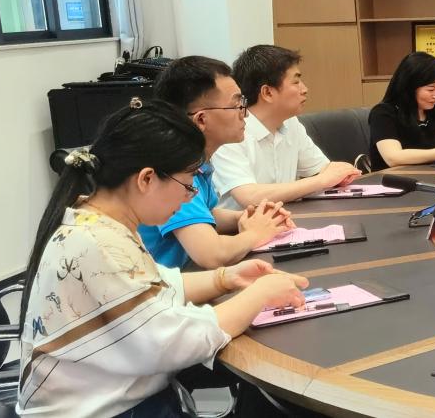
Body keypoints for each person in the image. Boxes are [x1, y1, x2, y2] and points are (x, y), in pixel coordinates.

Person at [18, 100, 310, 417]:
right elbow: (171, 343)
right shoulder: (97, 243)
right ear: (146, 179)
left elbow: (150, 285)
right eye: (187, 183)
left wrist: (225, 278)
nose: (190, 196)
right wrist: (260, 294)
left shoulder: (94, 220)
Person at [138, 56, 296, 269]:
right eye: (237, 105)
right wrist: (255, 233)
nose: (245, 114)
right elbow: (212, 254)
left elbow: (202, 215)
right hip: (164, 284)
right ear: (201, 119)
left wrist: (248, 217)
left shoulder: (196, 160)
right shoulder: (172, 169)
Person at [211, 45, 359, 209]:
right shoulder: (230, 132)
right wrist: (321, 180)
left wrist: (341, 174)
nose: (305, 89)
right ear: (267, 93)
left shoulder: (290, 122)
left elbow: (322, 170)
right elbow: (249, 197)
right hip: (239, 224)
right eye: (296, 82)